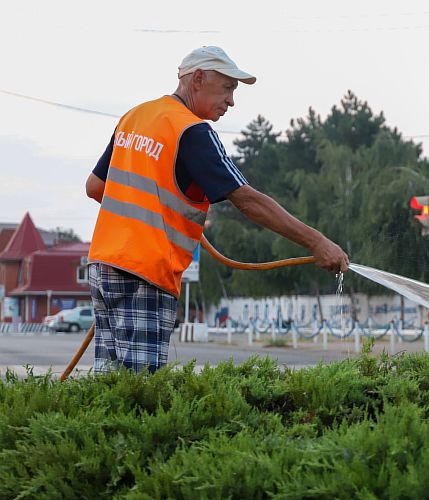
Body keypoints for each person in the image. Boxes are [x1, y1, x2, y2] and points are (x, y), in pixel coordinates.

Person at [85, 46, 349, 373]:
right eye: (227, 88)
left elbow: (95, 188)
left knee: (109, 383)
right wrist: (317, 242)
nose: (231, 101)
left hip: (103, 265)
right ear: (198, 79)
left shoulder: (136, 116)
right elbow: (247, 200)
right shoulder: (191, 130)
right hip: (146, 270)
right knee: (139, 392)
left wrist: (155, 213)